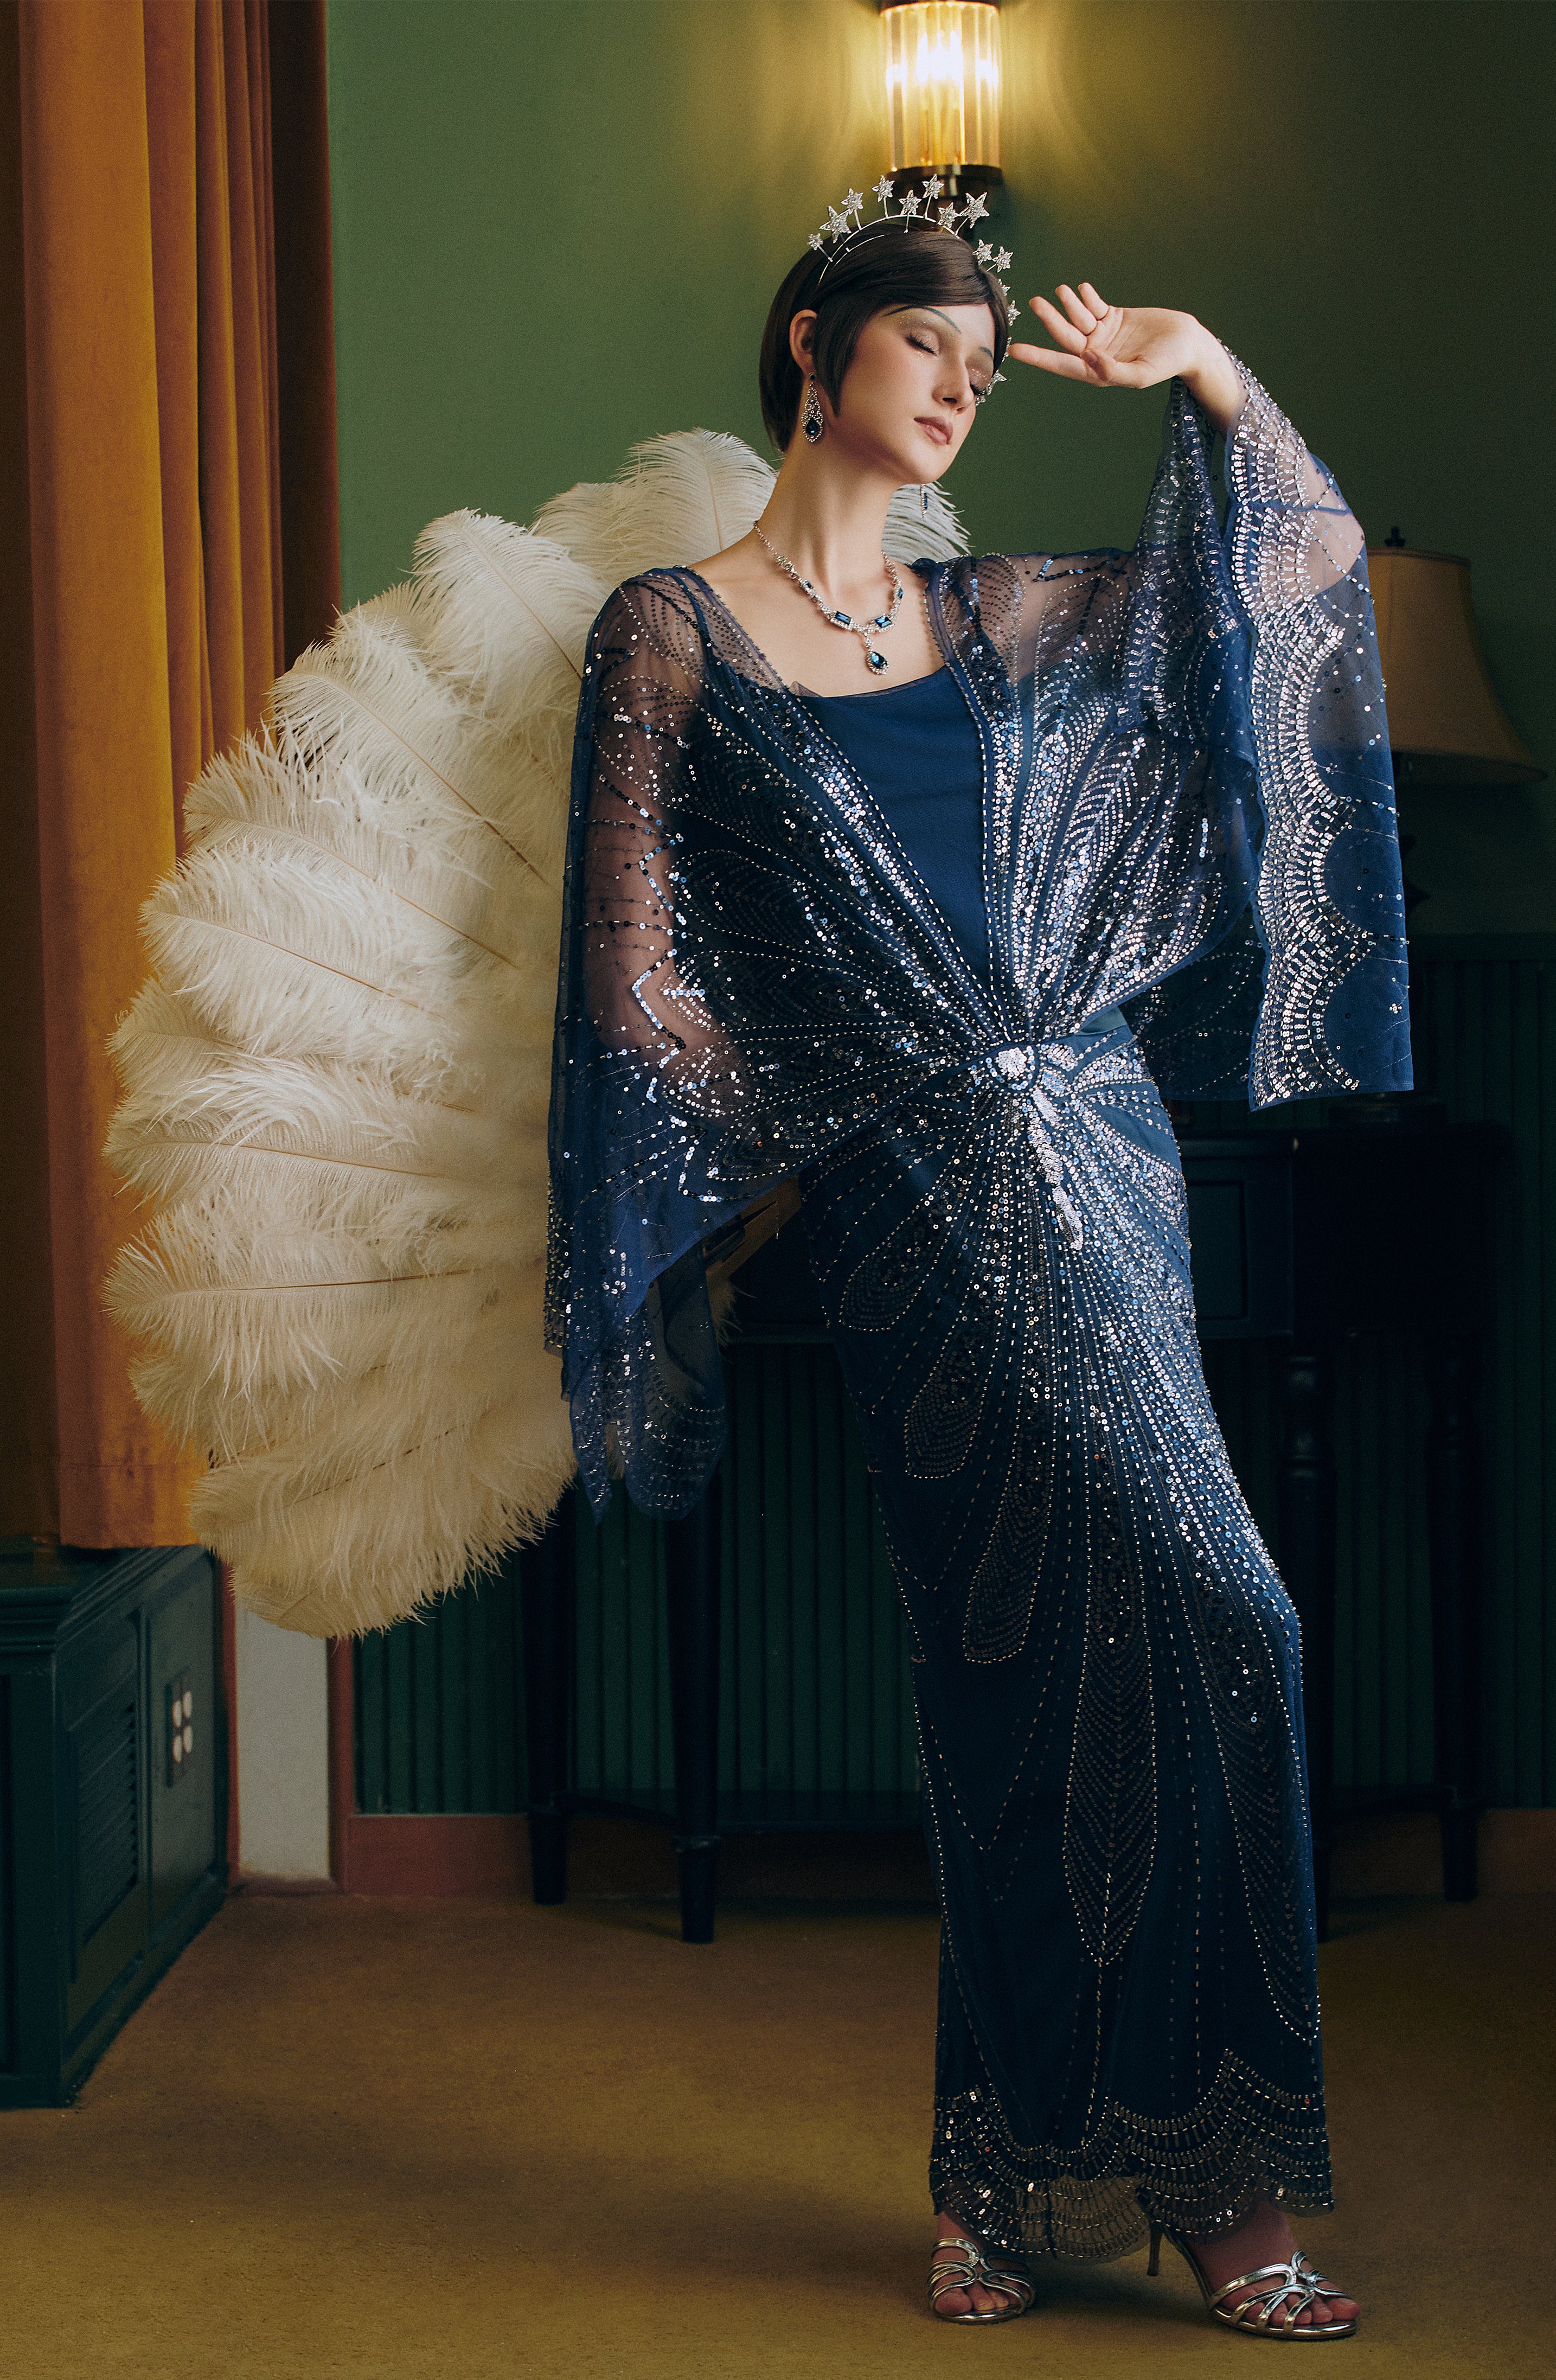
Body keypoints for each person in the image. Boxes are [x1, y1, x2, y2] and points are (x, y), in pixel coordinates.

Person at [548, 184, 1408, 2336]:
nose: (962, 379)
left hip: (1107, 1152)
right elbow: (635, 987)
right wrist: (829, 1106)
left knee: (1221, 1619)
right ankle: (1017, 2173)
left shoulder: (1008, 606)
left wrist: (1207, 378)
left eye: (982, 350)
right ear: (817, 345)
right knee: (1013, 1677)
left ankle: (1201, 2178)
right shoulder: (669, 633)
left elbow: (1295, 579)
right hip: (907, 1201)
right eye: (925, 338)